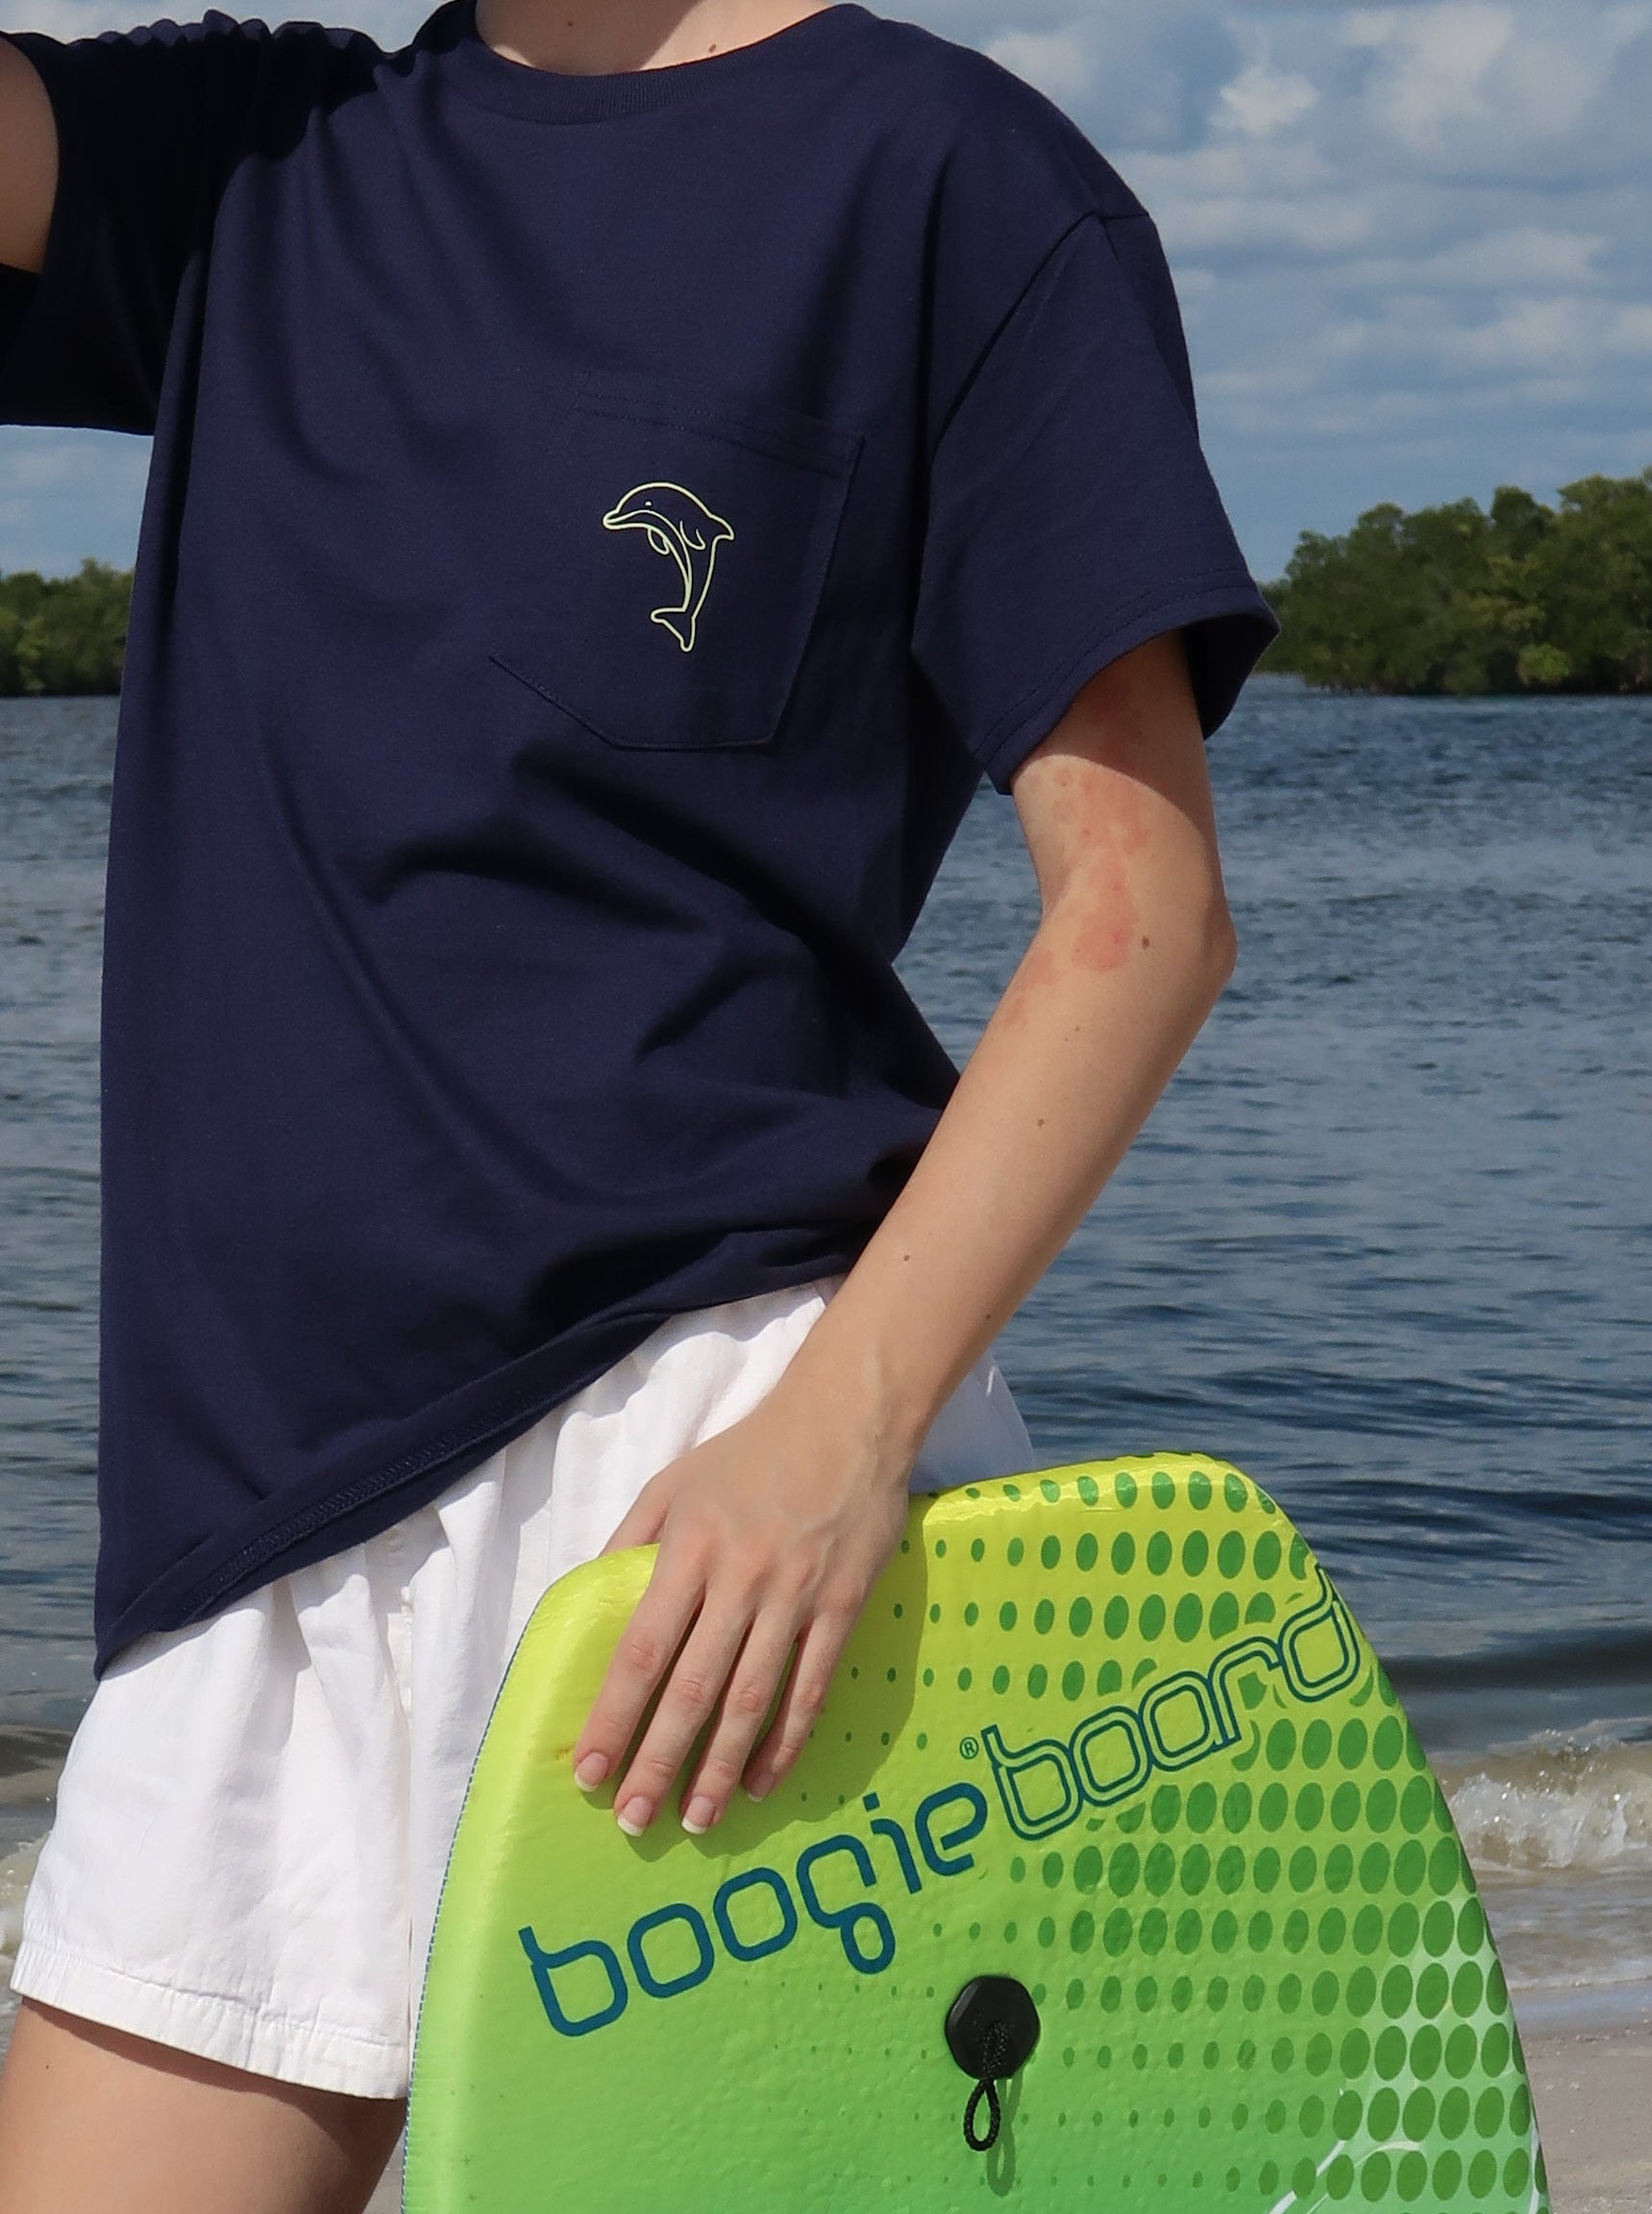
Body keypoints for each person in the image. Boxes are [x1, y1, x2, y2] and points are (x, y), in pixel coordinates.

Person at [0, 0, 1275, 2204]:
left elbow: (1142, 909)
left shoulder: (949, 186)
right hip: (261, 1518)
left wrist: (838, 1440)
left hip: (721, 1489)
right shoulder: (251, 161)